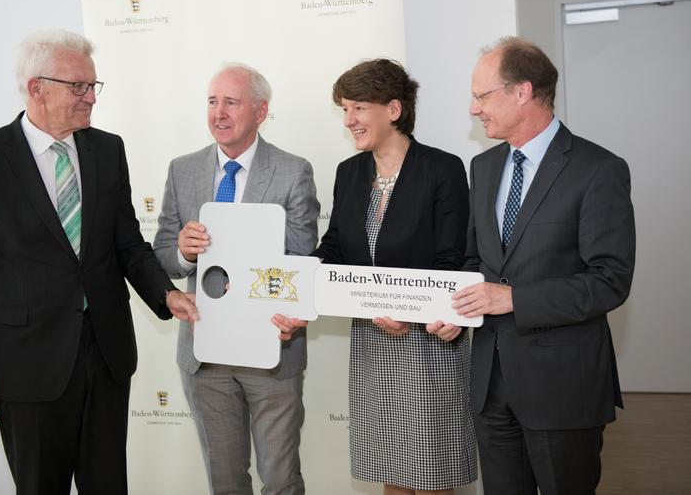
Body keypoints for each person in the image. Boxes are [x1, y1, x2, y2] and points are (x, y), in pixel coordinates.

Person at [0, 29, 197, 495]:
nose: (90, 99)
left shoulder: (107, 149)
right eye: (77, 87)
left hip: (105, 353)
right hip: (25, 364)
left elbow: (127, 244)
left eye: (93, 86)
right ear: (36, 88)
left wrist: (166, 292)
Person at [445, 36, 636, 495]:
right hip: (491, 384)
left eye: (481, 96)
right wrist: (455, 308)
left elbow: (609, 281)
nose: (474, 109)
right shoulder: (484, 166)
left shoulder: (598, 169)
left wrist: (513, 299)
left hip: (562, 387)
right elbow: (478, 261)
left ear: (522, 92)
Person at [281, 58, 476, 495]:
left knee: (432, 472)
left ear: (393, 109)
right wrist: (297, 291)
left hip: (430, 339)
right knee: (390, 467)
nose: (348, 120)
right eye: (345, 109)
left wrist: (414, 312)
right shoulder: (350, 173)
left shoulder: (442, 169)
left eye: (358, 108)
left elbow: (453, 258)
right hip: (373, 338)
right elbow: (333, 249)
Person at [152, 63, 320, 495]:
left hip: (271, 350)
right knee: (225, 483)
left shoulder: (292, 170)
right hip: (205, 354)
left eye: (231, 101)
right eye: (212, 101)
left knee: (281, 481)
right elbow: (162, 256)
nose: (218, 113)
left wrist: (247, 256)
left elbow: (302, 253)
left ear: (261, 111)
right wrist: (183, 252)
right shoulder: (182, 170)